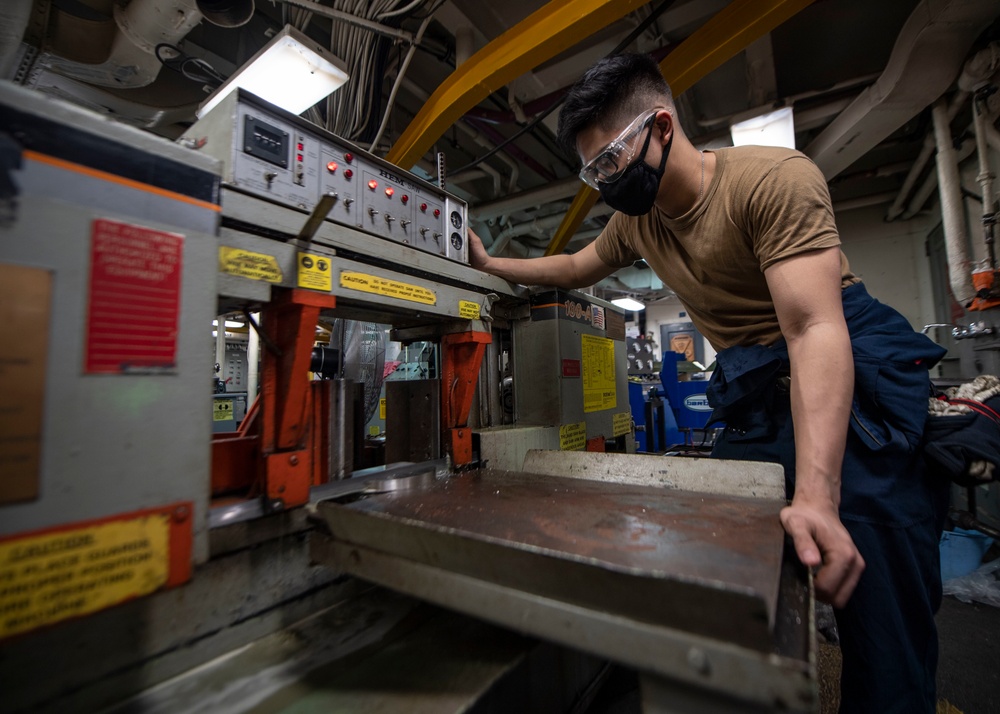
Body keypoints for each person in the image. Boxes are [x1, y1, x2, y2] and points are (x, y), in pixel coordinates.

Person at [468, 53, 949, 713]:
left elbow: (813, 329)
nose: (605, 182)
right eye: (592, 172)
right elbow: (577, 264)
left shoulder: (772, 179)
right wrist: (494, 263)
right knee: (734, 577)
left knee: (879, 593)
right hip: (753, 387)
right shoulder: (637, 221)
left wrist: (816, 496)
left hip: (847, 368)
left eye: (610, 161)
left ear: (661, 127)